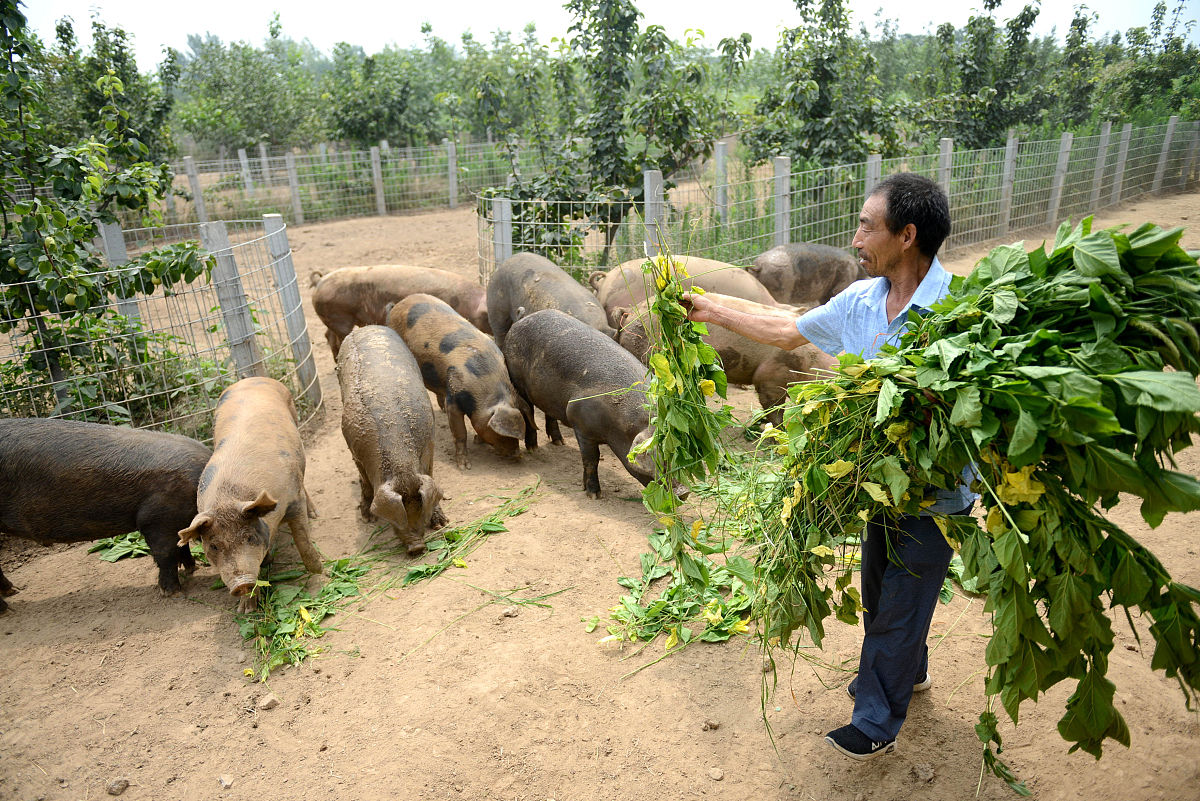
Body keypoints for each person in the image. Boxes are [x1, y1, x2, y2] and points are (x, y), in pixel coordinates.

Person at [684, 172, 976, 761]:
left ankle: (873, 721)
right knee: (880, 593)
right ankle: (910, 672)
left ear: (908, 235)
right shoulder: (863, 300)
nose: (857, 236)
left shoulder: (960, 312)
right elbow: (786, 329)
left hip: (935, 493)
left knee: (897, 605)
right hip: (878, 483)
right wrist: (706, 305)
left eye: (868, 225)